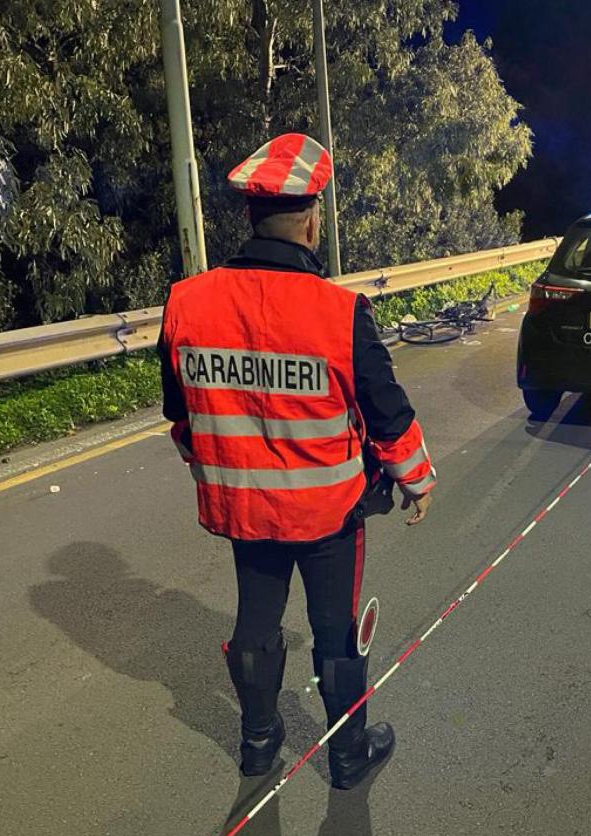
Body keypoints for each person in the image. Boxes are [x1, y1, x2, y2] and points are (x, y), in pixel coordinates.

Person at [157, 133, 436, 787]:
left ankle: (257, 744)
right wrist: (417, 480)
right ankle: (346, 754)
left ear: (251, 216)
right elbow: (387, 412)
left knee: (256, 617)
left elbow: (181, 412)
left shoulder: (187, 302)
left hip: (243, 503)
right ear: (312, 220)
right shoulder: (339, 313)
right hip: (328, 512)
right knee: (333, 628)